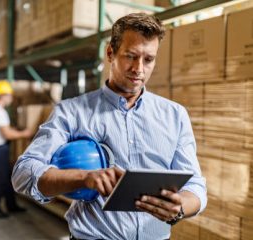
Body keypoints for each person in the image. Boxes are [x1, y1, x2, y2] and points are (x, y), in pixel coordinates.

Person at [12, 13, 207, 239]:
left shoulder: (175, 115)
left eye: (148, 59)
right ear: (110, 53)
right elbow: (23, 173)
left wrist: (180, 206)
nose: (139, 69)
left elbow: (195, 186)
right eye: (131, 56)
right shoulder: (72, 112)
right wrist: (83, 178)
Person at [0, 80, 33, 218]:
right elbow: (6, 133)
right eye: (10, 95)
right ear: (4, 95)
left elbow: (1, 129)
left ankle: (11, 205)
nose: (11, 98)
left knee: (7, 179)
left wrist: (14, 130)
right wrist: (24, 133)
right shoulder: (0, 112)